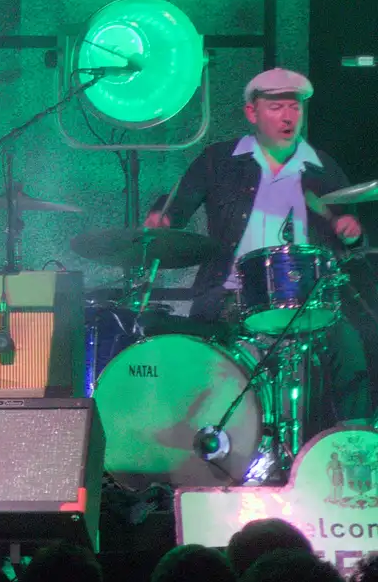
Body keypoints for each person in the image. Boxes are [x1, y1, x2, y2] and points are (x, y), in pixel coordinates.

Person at [145, 68, 371, 440]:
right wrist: (163, 217)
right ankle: (202, 443)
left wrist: (350, 234)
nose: (287, 116)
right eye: (276, 107)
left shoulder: (322, 166)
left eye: (295, 108)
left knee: (352, 351)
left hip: (306, 300)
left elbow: (350, 229)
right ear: (252, 113)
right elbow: (176, 208)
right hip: (230, 291)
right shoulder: (219, 160)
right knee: (203, 354)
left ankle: (353, 452)